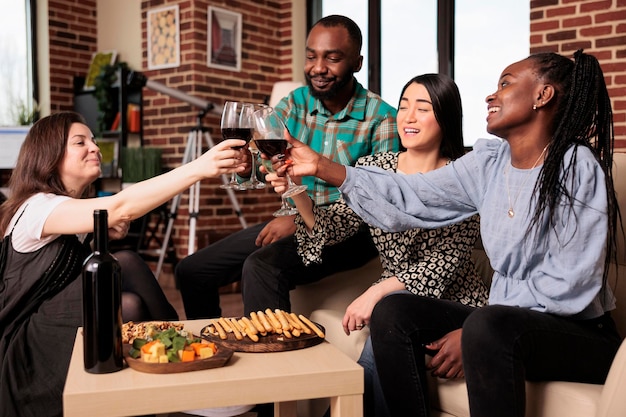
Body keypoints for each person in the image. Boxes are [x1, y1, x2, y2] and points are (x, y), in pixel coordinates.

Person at [275, 50, 623, 417]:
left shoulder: (576, 165)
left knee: (488, 324)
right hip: (501, 323)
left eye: (505, 84)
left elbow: (570, 282)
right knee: (393, 311)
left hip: (578, 333)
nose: (491, 95)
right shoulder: (490, 162)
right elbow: (413, 195)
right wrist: (321, 166)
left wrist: (475, 333)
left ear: (543, 95)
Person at [265, 73, 489, 417]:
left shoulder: (463, 175)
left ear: (445, 116)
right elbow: (334, 226)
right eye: (403, 106)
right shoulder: (374, 167)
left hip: (453, 304)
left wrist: (377, 292)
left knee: (378, 341)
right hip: (393, 307)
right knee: (383, 335)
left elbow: (446, 260)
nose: (408, 117)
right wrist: (297, 191)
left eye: (422, 108)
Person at [0, 111, 246, 416]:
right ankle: (185, 371)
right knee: (125, 276)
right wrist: (198, 168)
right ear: (48, 155)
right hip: (25, 349)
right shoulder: (37, 207)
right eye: (80, 142)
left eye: (92, 140)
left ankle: (175, 373)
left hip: (48, 322)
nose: (94, 147)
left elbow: (64, 271)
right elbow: (121, 205)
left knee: (128, 296)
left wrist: (98, 234)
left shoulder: (67, 212)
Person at [176, 14, 399, 319]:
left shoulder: (382, 118)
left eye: (332, 58)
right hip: (294, 216)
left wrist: (302, 219)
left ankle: (276, 361)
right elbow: (262, 158)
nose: (318, 67)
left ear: (357, 63)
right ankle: (212, 349)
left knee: (261, 266)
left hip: (352, 234)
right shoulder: (295, 103)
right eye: (311, 56)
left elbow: (377, 200)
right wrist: (245, 167)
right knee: (192, 270)